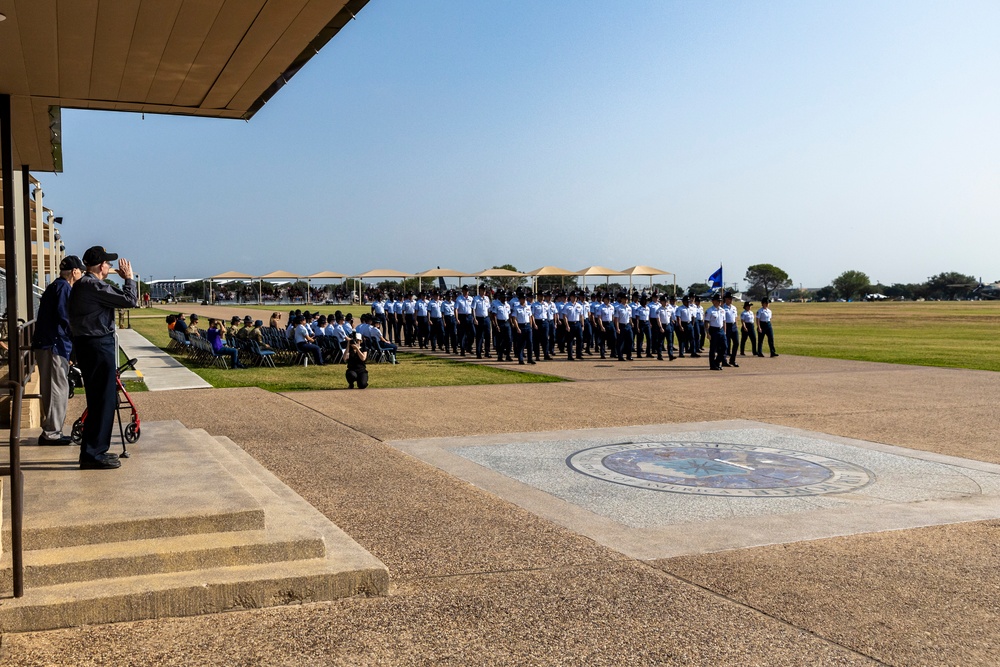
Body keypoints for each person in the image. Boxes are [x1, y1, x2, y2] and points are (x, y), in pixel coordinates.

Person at [68, 246, 138, 469]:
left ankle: (95, 451)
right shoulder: (92, 285)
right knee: (103, 400)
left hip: (92, 345)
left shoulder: (87, 285)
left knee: (101, 400)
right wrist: (129, 278)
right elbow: (130, 300)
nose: (110, 266)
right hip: (97, 345)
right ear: (100, 266)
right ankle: (93, 454)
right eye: (107, 263)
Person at [32, 255, 85, 445]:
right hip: (54, 345)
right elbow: (66, 317)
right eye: (81, 271)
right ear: (74, 272)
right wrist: (78, 340)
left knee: (50, 388)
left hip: (46, 344)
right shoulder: (64, 288)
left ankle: (50, 430)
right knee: (58, 389)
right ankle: (52, 433)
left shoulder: (54, 286)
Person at [705, 293, 728, 371]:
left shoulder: (722, 310)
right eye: (717, 300)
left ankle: (717, 361)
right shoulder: (709, 311)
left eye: (720, 301)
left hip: (721, 330)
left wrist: (724, 331)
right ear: (713, 301)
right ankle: (712, 365)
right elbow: (706, 322)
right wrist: (707, 333)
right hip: (713, 330)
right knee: (713, 348)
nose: (719, 302)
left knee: (725, 347)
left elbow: (724, 321)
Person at [723, 292, 740, 368]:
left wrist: (736, 325)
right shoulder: (723, 308)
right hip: (726, 325)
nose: (730, 300)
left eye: (731, 299)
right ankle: (724, 360)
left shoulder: (734, 308)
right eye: (729, 299)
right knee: (726, 344)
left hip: (733, 326)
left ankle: (732, 360)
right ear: (726, 299)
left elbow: (735, 317)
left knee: (736, 343)